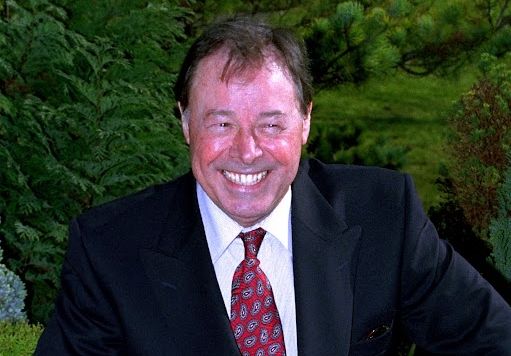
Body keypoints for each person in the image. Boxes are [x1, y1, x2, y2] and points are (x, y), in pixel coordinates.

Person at [35, 15, 511, 355]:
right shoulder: (108, 251)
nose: (246, 151)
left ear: (305, 121)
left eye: (271, 125)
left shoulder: (386, 215)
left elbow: (493, 338)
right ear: (184, 123)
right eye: (220, 124)